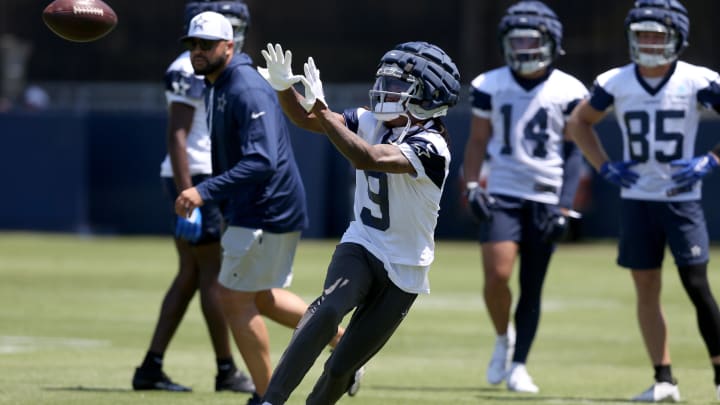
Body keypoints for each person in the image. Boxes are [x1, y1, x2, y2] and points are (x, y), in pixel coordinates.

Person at [256, 40, 460, 405]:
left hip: (406, 268)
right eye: (387, 81)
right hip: (363, 244)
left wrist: (320, 109)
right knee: (328, 309)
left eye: (399, 86)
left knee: (339, 369)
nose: (387, 91)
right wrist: (284, 87)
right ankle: (270, 399)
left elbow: (366, 156)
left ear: (428, 97)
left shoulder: (432, 145)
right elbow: (306, 118)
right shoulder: (371, 119)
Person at [173, 11, 348, 405]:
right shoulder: (217, 83)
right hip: (256, 209)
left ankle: (269, 396)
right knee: (262, 298)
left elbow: (261, 160)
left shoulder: (245, 88)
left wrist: (204, 192)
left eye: (206, 45)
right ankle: (341, 342)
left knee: (231, 297)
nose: (197, 52)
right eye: (192, 45)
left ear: (229, 46)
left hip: (265, 210)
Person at [566, 0, 720, 402]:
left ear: (678, 39)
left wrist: (712, 158)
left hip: (680, 196)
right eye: (642, 35)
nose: (650, 42)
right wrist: (603, 166)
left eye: (658, 34)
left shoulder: (697, 80)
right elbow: (578, 123)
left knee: (697, 285)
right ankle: (664, 378)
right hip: (636, 198)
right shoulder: (616, 81)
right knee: (646, 288)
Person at [462, 0, 587, 394]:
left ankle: (519, 365)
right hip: (503, 188)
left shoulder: (570, 89)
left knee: (532, 285)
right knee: (497, 275)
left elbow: (575, 151)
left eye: (531, 42)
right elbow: (477, 140)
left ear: (551, 43)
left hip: (547, 194)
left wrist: (566, 204)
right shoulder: (490, 84)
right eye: (516, 42)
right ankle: (503, 339)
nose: (523, 50)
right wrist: (470, 185)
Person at [132, 1, 255, 393]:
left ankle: (151, 367)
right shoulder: (190, 67)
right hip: (197, 176)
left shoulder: (205, 64)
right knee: (211, 275)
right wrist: (190, 194)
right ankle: (225, 369)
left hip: (199, 176)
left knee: (189, 275)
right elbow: (178, 134)